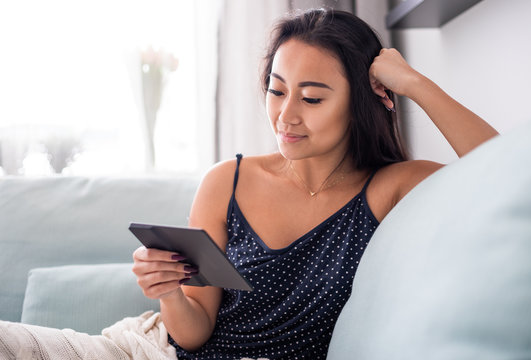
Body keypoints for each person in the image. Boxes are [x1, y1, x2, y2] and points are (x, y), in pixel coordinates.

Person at [0, 7, 499, 360]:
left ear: (363, 100)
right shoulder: (228, 182)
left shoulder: (389, 188)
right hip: (144, 351)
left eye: (312, 98)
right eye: (276, 90)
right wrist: (170, 293)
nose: (285, 115)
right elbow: (193, 334)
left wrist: (412, 82)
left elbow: (501, 172)